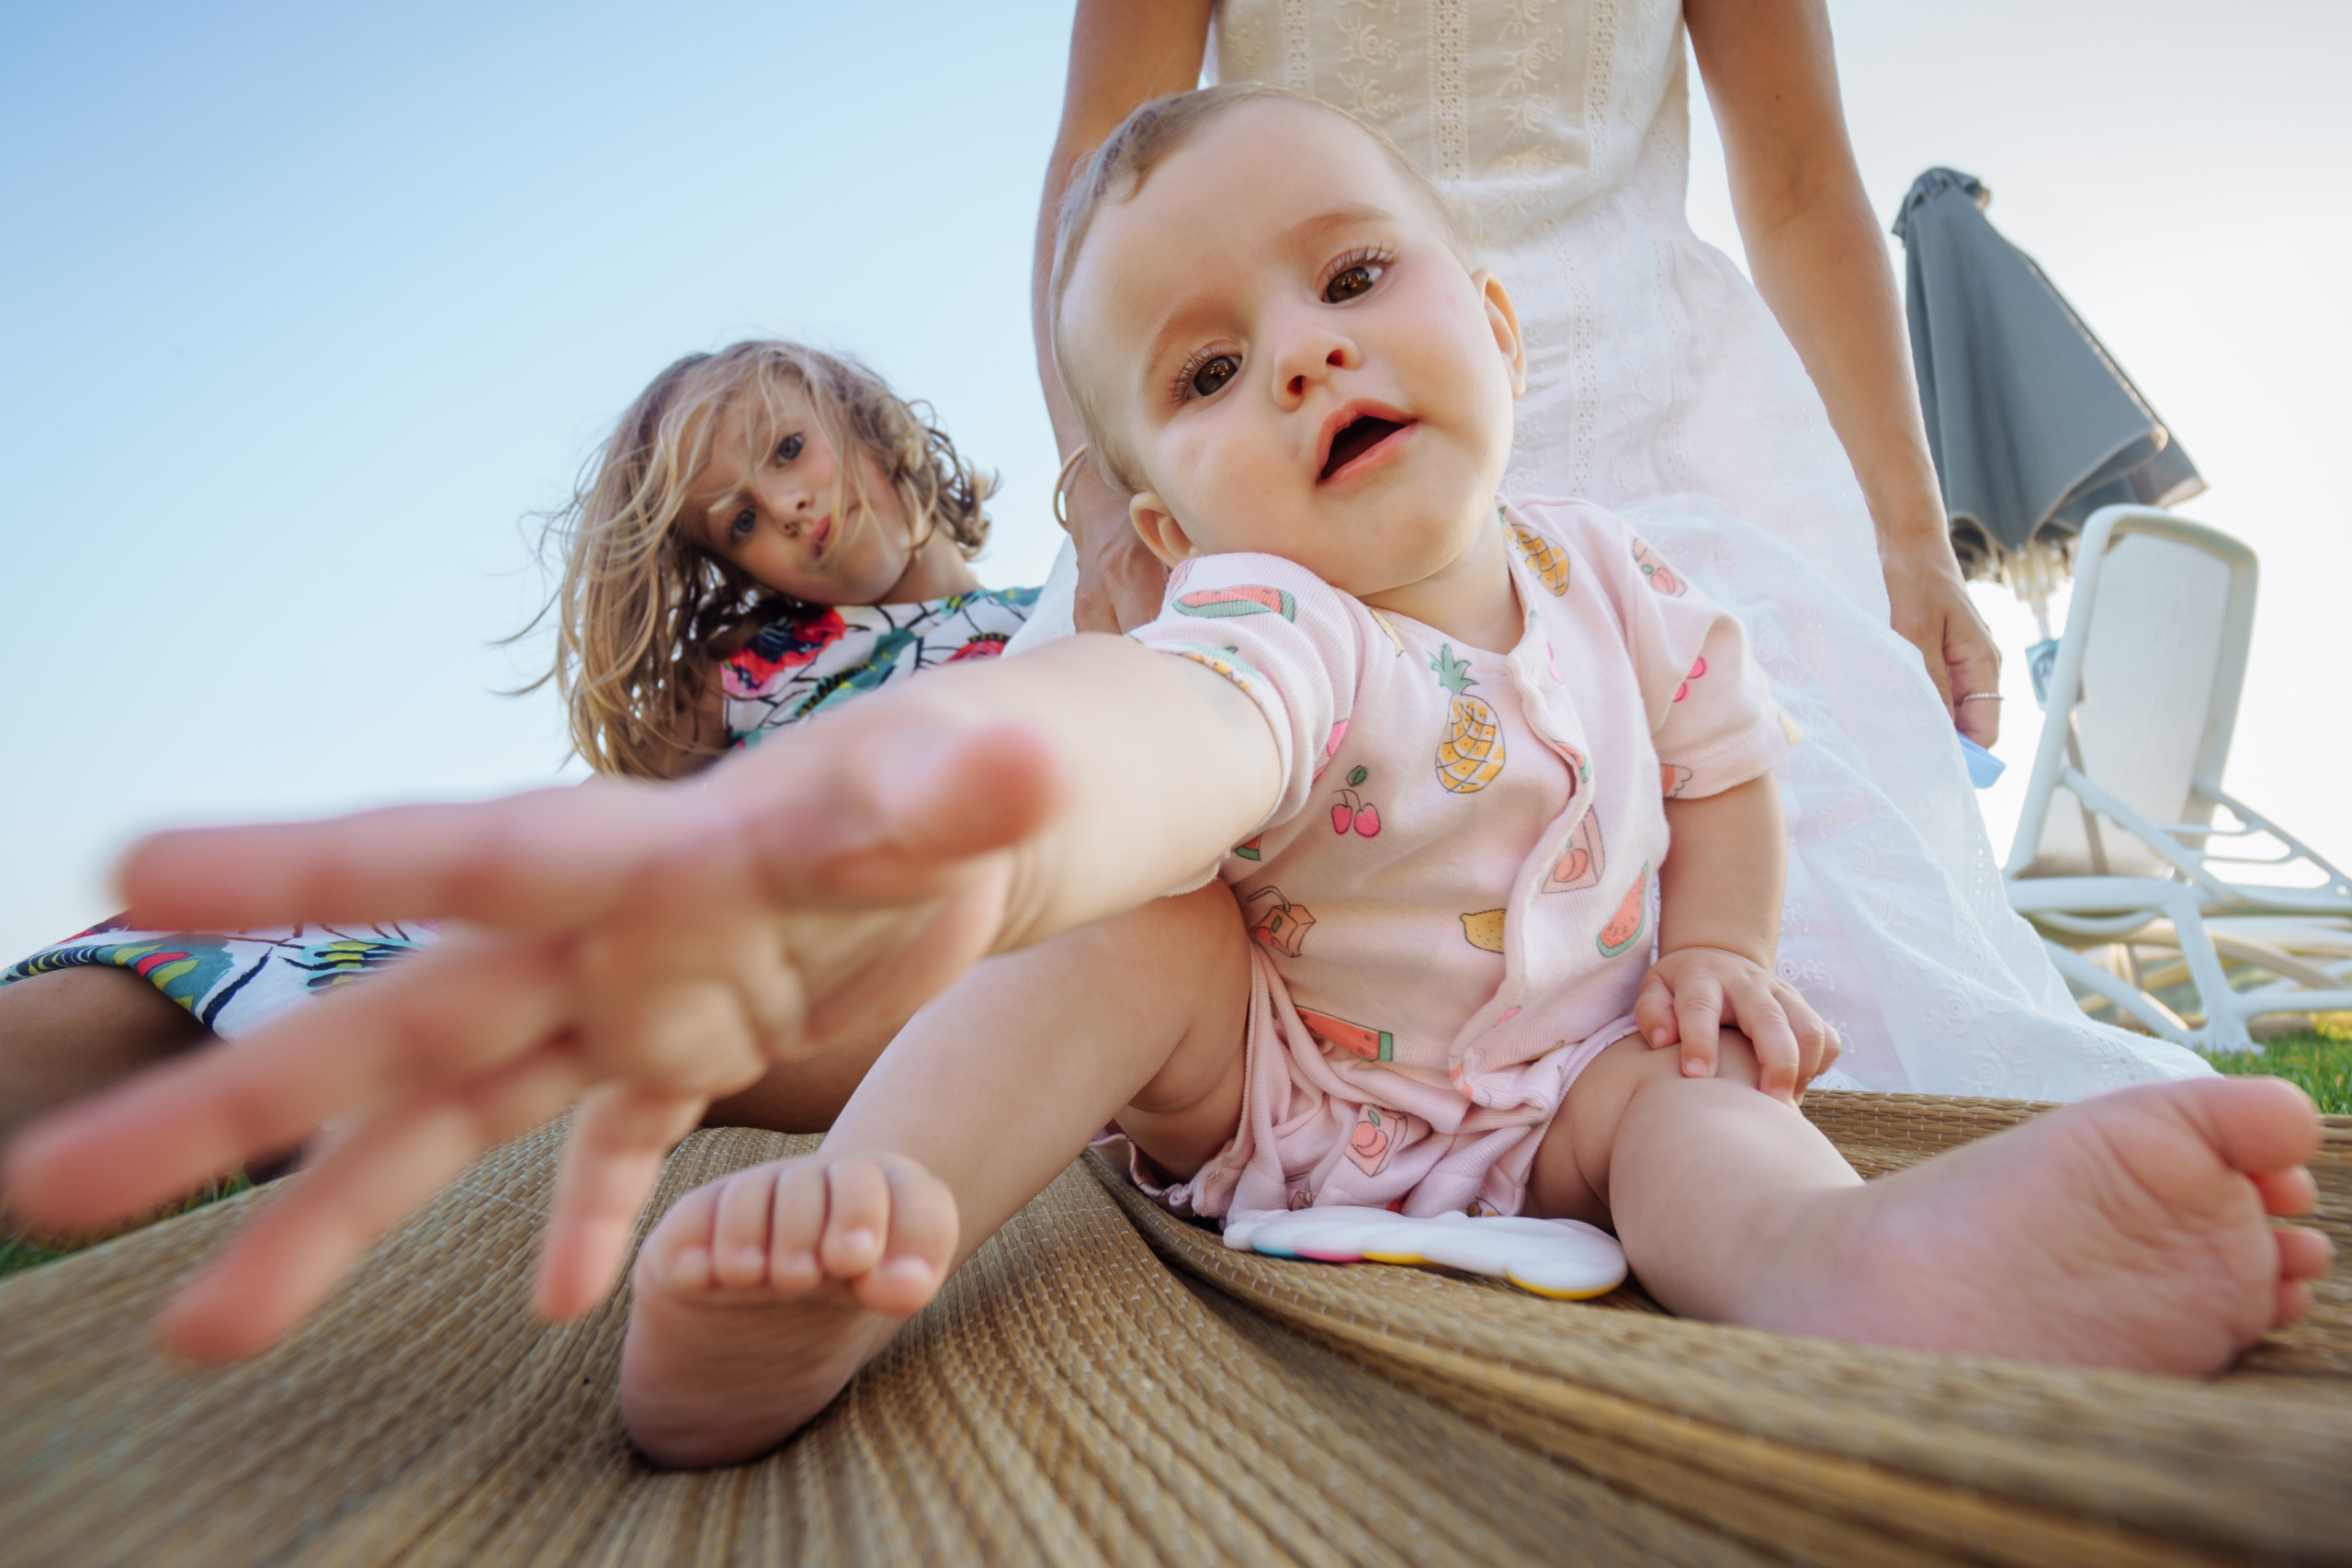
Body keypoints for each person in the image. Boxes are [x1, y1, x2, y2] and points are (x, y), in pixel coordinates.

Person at [5, 89, 2324, 1475]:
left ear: (1493, 330)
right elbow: (1141, 753)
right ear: (1173, 519)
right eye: (1210, 366)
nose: (1302, 346)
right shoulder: (1265, 625)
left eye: (1347, 277)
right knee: (1134, 930)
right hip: (1275, 1077)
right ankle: (857, 1245)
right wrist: (956, 790)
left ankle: (1859, 1264)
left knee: (1701, 1130)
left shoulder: (1633, 589)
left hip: (1567, 1083)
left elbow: (1721, 785)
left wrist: (1713, 952)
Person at [1013, 0, 2211, 1097]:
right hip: (1262, 466)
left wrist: (1913, 536)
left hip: (1663, 411)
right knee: (1107, 896)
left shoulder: (1654, 595)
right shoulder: (1235, 432)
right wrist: (1108, 505)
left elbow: (1797, 187)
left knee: (1812, 928)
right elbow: (1101, 163)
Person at [0, 340, 1039, 1145]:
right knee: (220, 946)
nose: (786, 505)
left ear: (861, 413)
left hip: (842, 966)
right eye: (736, 522)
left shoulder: (1051, 624)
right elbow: (616, 835)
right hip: (652, 922)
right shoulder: (742, 670)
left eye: (786, 449)